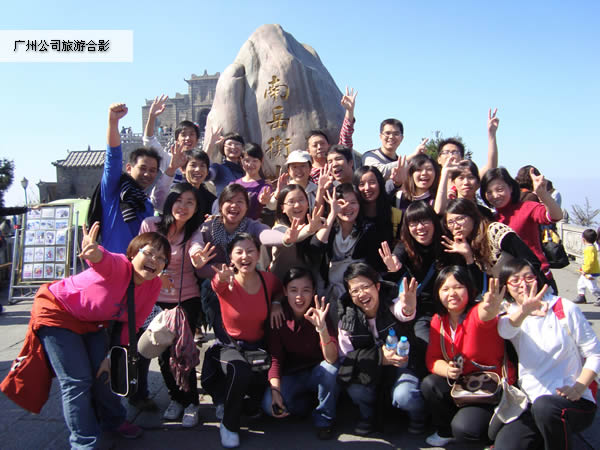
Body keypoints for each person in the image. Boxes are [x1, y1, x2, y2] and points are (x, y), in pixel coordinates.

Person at [1, 223, 171, 448]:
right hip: (57, 311)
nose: (154, 260)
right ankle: (83, 442)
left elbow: (133, 324)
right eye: (148, 253)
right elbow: (103, 260)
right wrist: (94, 251)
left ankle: (114, 420)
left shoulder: (153, 285)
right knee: (76, 380)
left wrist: (112, 356)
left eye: (161, 258)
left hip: (93, 322)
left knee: (105, 372)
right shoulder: (119, 265)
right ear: (132, 254)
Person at [494, 258, 600, 450]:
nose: (523, 284)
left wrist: (578, 387)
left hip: (572, 400)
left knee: (546, 408)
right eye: (515, 280)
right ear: (506, 287)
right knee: (506, 445)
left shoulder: (563, 307)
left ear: (538, 279)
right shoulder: (508, 313)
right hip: (531, 401)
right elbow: (506, 330)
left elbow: (595, 353)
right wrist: (525, 311)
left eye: (528, 277)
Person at [140, 183, 216, 427]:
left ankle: (191, 402)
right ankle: (176, 398)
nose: (183, 207)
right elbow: (138, 256)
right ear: (170, 202)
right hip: (155, 299)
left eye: (190, 202)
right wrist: (156, 275)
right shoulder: (151, 225)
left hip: (186, 300)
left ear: (196, 208)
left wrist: (197, 258)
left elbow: (196, 248)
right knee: (162, 352)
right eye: (179, 200)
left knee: (183, 351)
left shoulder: (194, 232)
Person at [200, 233, 283, 448]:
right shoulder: (226, 281)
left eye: (250, 251)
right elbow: (217, 284)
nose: (245, 256)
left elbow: (280, 291)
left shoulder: (267, 280)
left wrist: (276, 303)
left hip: (257, 350)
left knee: (256, 406)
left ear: (258, 254)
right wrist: (221, 278)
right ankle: (229, 425)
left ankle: (237, 403)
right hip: (229, 347)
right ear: (231, 257)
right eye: (239, 252)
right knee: (239, 369)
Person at [421, 265, 511, 447]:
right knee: (430, 384)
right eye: (445, 289)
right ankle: (445, 431)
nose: (452, 293)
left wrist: (491, 307)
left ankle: (490, 435)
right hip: (461, 383)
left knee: (463, 428)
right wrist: (448, 370)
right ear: (438, 293)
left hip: (487, 386)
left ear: (469, 289)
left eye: (458, 287)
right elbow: (432, 359)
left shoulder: (476, 313)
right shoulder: (439, 320)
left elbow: (485, 315)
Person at [337, 262, 426, 435]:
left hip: (401, 366)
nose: (361, 294)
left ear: (377, 286)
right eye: (355, 291)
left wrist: (409, 307)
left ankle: (418, 417)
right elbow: (346, 357)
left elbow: (404, 312)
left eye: (365, 287)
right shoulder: (347, 320)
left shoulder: (392, 303)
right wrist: (379, 357)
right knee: (354, 388)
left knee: (405, 395)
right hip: (371, 370)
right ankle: (367, 416)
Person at [261, 267, 339, 440]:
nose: (299, 296)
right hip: (292, 374)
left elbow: (332, 358)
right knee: (268, 405)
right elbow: (275, 357)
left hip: (317, 372)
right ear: (285, 291)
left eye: (306, 290)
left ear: (313, 291)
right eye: (294, 290)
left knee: (330, 370)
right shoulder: (279, 315)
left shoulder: (320, 312)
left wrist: (322, 328)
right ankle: (307, 404)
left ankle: (324, 420)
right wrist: (275, 391)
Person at [480, 167, 563, 293]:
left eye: (500, 189)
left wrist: (543, 194)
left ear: (511, 188)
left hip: (535, 279)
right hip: (509, 284)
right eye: (489, 192)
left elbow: (555, 216)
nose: (495, 195)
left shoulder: (526, 208)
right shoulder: (490, 219)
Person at [311, 183, 385, 322]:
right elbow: (315, 247)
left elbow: (375, 265)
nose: (347, 207)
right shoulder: (329, 227)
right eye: (341, 203)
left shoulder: (368, 230)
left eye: (353, 202)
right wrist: (332, 214)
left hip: (357, 291)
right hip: (329, 290)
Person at [441, 198, 546, 292]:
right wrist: (468, 257)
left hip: (529, 290)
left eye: (460, 219)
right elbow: (480, 287)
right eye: (450, 222)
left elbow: (532, 262)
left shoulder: (495, 231)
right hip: (505, 297)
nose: (456, 226)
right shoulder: (468, 244)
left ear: (473, 216)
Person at [101, 103, 161, 253]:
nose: (147, 174)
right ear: (129, 168)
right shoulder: (113, 190)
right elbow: (113, 158)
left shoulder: (147, 204)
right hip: (111, 264)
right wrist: (113, 122)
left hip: (136, 265)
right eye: (143, 168)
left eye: (152, 170)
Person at [269, 184, 323, 281]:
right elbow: (288, 237)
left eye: (301, 200)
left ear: (307, 203)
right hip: (280, 285)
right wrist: (309, 230)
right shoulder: (279, 229)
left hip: (309, 286)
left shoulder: (316, 225)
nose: (297, 205)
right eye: (291, 202)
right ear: (282, 208)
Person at [142, 94, 201, 178]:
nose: (188, 138)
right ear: (177, 140)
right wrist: (152, 117)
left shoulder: (202, 162)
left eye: (191, 134)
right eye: (183, 135)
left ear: (197, 140)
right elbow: (149, 141)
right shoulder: (168, 159)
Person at [150, 143, 215, 217]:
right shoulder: (174, 192)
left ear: (207, 172)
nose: (198, 169)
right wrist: (172, 168)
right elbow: (158, 205)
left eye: (202, 166)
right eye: (193, 165)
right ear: (183, 169)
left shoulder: (211, 200)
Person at [353, 166, 402, 247]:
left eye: (372, 182)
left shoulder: (395, 215)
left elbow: (402, 244)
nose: (367, 188)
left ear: (380, 184)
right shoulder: (352, 216)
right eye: (362, 184)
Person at [232, 143, 271, 220]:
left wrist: (264, 199)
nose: (250, 164)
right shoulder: (234, 184)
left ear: (261, 161)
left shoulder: (265, 186)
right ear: (241, 160)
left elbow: (263, 198)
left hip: (252, 226)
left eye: (255, 161)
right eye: (247, 160)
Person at [206, 131, 246, 196]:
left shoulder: (247, 170)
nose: (233, 147)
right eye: (229, 144)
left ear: (242, 147)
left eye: (237, 144)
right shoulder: (219, 168)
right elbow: (205, 175)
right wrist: (210, 145)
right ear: (223, 148)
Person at [575, 228, 600, 305]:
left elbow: (590, 262)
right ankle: (581, 296)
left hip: (590, 272)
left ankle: (599, 296)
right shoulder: (591, 247)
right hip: (587, 271)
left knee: (592, 287)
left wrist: (585, 270)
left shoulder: (589, 249)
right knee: (581, 284)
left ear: (583, 239)